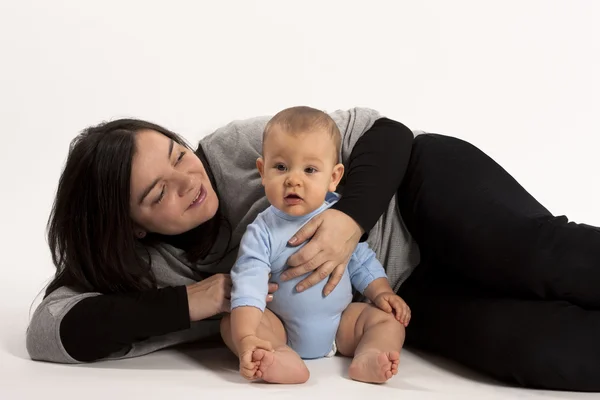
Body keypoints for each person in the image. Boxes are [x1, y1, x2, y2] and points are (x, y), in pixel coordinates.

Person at [26, 106, 600, 392]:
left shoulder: (232, 151)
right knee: (536, 352)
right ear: (131, 227)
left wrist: (349, 219)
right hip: (397, 294)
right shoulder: (153, 269)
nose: (189, 182)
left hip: (420, 196)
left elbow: (389, 132)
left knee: (535, 257)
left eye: (177, 155)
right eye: (158, 193)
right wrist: (200, 300)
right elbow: (50, 331)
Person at [224, 107, 411, 384]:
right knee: (231, 324)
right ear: (263, 172)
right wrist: (247, 334)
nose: (293, 179)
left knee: (387, 321)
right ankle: (274, 355)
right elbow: (249, 283)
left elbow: (360, 260)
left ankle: (370, 353)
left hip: (340, 323)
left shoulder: (338, 219)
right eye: (281, 167)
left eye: (310, 169)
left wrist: (382, 291)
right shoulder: (262, 231)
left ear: (333, 177)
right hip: (282, 326)